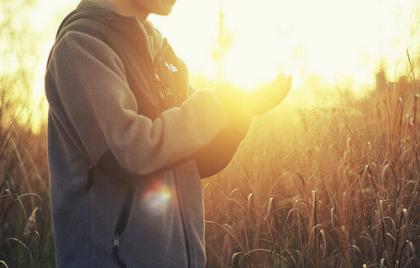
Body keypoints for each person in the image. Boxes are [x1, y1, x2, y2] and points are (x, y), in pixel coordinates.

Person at [44, 0, 290, 267]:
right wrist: (219, 104)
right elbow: (129, 153)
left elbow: (197, 156)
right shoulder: (81, 46)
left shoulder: (160, 51)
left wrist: (241, 110)